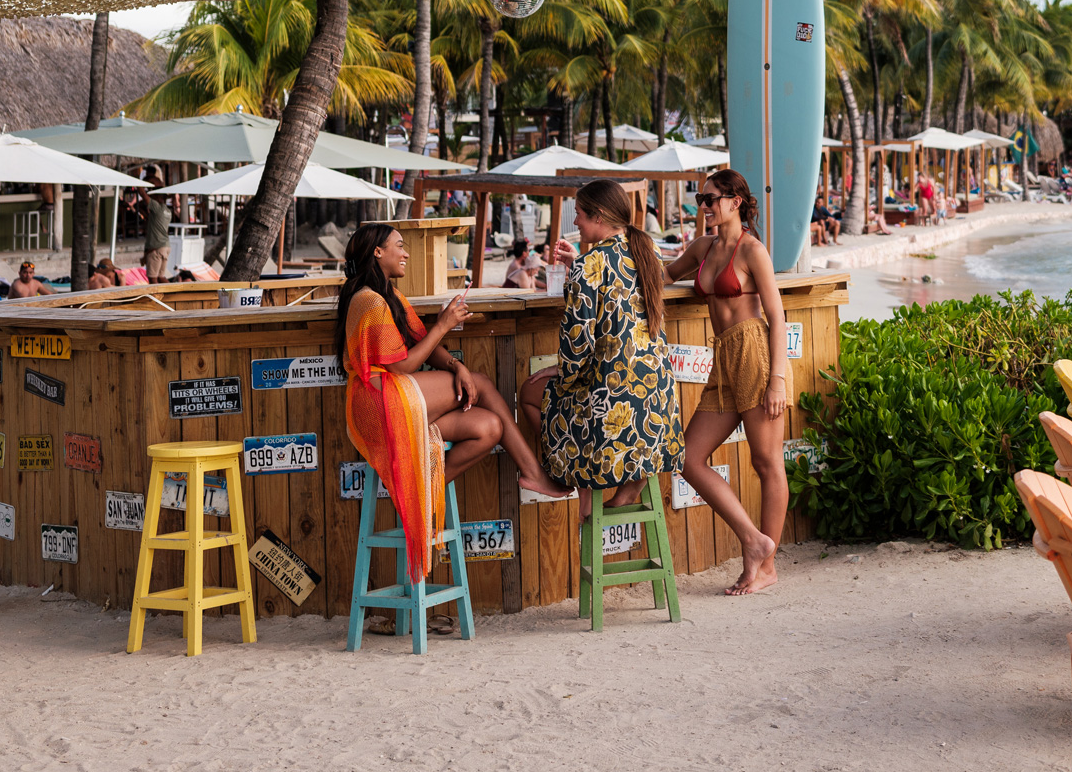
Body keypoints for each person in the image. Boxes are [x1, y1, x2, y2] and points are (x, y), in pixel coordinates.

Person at [337, 225, 566, 580]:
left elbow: (419, 337)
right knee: (484, 384)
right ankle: (533, 472)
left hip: (402, 398)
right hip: (378, 403)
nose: (406, 253)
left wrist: (456, 365)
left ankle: (423, 490)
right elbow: (402, 365)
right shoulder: (369, 299)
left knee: (489, 427)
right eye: (400, 246)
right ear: (378, 253)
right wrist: (444, 324)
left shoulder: (390, 296)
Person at [663, 168, 790, 595]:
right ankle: (753, 540)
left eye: (712, 199)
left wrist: (778, 379)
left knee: (766, 462)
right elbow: (662, 275)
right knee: (687, 457)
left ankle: (765, 567)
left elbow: (777, 318)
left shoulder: (754, 251)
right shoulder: (702, 248)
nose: (704, 206)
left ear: (736, 201)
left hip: (754, 353)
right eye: (701, 199)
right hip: (723, 359)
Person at [520, 179, 683, 508]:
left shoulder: (588, 267)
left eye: (578, 214)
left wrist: (562, 370)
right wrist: (575, 264)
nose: (575, 222)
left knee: (528, 393)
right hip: (659, 403)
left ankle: (567, 477)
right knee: (572, 389)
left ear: (598, 217)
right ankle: (633, 481)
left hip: (611, 407)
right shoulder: (647, 253)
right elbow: (617, 294)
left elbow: (577, 344)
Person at [143, 171, 171, 283]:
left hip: (156, 248)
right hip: (165, 246)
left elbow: (143, 195)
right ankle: (172, 294)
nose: (152, 197)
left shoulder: (157, 207)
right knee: (161, 277)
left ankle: (155, 300)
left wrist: (138, 182)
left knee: (153, 278)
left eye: (154, 195)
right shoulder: (167, 211)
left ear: (159, 197)